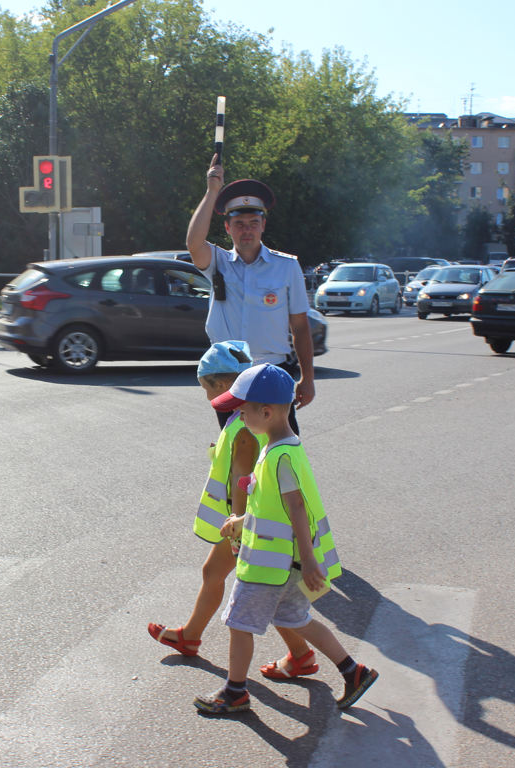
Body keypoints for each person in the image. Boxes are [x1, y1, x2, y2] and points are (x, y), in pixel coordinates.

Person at [193, 363, 378, 714]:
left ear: (266, 412)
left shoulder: (279, 456)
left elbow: (296, 509)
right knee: (297, 619)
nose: (239, 419)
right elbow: (273, 506)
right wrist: (242, 519)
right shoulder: (281, 448)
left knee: (238, 622)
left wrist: (310, 561)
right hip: (283, 564)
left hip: (269, 565)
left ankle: (235, 692)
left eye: (243, 412)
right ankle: (354, 672)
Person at [148, 341, 315, 678]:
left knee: (265, 595)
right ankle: (191, 636)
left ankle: (300, 654)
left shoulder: (242, 428)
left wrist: (239, 530)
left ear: (222, 385)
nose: (206, 396)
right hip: (249, 523)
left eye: (205, 388)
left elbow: (245, 479)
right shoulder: (246, 419)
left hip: (247, 526)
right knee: (217, 574)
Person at [185, 155, 316, 433]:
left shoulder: (286, 266)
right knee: (235, 452)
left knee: (279, 447)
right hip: (228, 374)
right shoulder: (218, 261)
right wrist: (211, 193)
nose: (247, 230)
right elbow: (193, 243)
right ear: (228, 227)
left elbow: (301, 327)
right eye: (240, 224)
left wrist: (308, 378)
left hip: (272, 372)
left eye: (253, 223)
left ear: (263, 225)